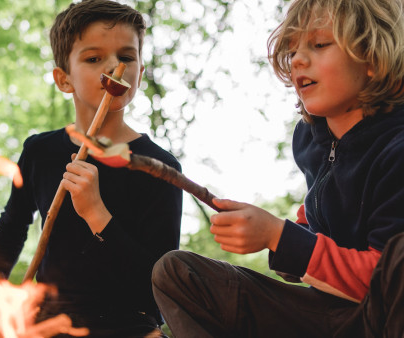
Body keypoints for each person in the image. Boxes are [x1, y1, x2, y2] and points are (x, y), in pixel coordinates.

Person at [151, 0, 404, 337]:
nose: (297, 58)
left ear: (371, 57)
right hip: (322, 315)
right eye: (292, 48)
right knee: (177, 272)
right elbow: (324, 223)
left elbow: (385, 280)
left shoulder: (396, 147)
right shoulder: (311, 138)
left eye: (319, 44)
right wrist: (280, 238)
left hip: (379, 319)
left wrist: (279, 236)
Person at [0, 0, 182, 336]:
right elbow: (11, 229)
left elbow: (158, 288)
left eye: (127, 57)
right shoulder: (40, 151)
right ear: (64, 79)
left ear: (140, 73)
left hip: (130, 327)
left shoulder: (161, 167)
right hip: (48, 326)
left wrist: (97, 214)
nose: (115, 67)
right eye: (94, 58)